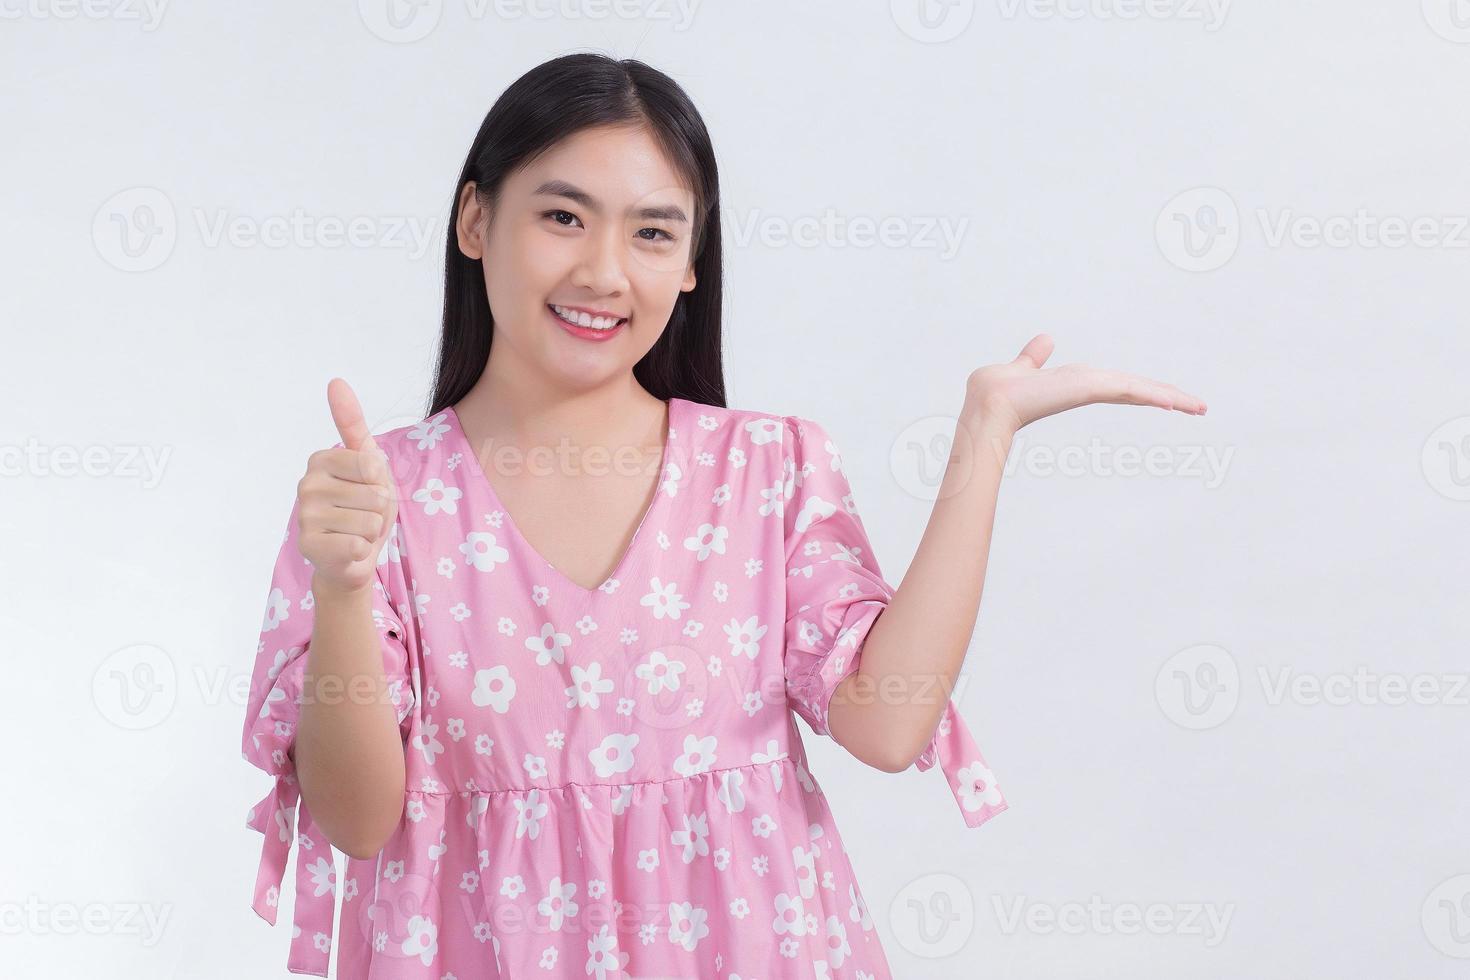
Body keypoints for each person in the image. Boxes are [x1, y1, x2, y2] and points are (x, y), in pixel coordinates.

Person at [240, 52, 1207, 979]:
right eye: (564, 217)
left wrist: (986, 433)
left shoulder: (765, 470)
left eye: (653, 232)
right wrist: (342, 589)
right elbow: (360, 821)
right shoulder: (373, 500)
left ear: (693, 264)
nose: (605, 272)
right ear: (475, 220)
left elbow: (887, 724)